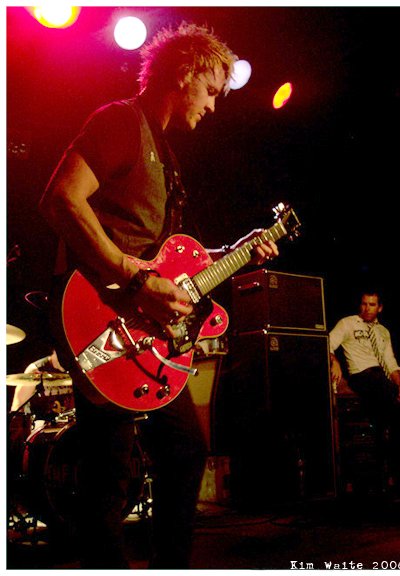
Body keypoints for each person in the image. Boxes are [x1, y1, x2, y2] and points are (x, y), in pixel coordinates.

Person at [38, 22, 279, 569]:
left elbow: (165, 261)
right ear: (186, 73)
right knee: (109, 470)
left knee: (184, 449)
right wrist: (134, 277)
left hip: (142, 332)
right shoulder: (119, 121)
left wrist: (234, 253)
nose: (213, 106)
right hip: (99, 317)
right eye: (212, 91)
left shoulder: (166, 155)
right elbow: (60, 199)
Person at [329, 290, 400, 499]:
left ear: (379, 308)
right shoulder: (348, 323)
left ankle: (394, 479)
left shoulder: (383, 331)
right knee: (391, 411)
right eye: (364, 304)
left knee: (393, 421)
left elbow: (390, 362)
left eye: (372, 305)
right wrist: (335, 362)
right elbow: (327, 344)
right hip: (361, 374)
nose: (367, 308)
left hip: (381, 379)